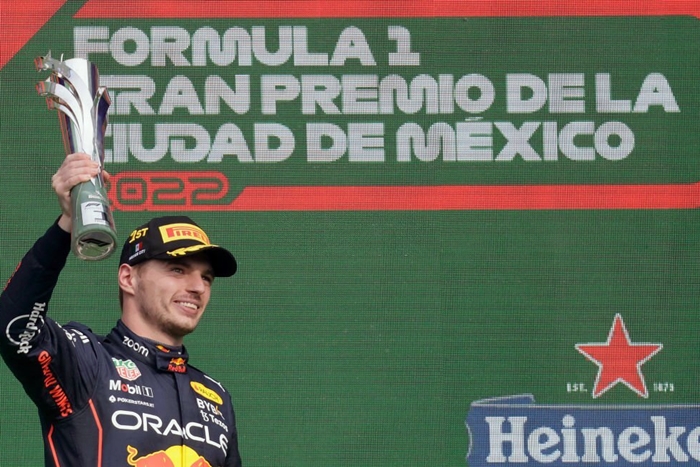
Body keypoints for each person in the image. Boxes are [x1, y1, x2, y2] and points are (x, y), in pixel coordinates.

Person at [0, 153, 243, 466]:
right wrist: (68, 224)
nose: (198, 286)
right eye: (178, 270)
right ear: (128, 278)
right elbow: (15, 326)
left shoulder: (215, 397)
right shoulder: (86, 363)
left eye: (206, 277)